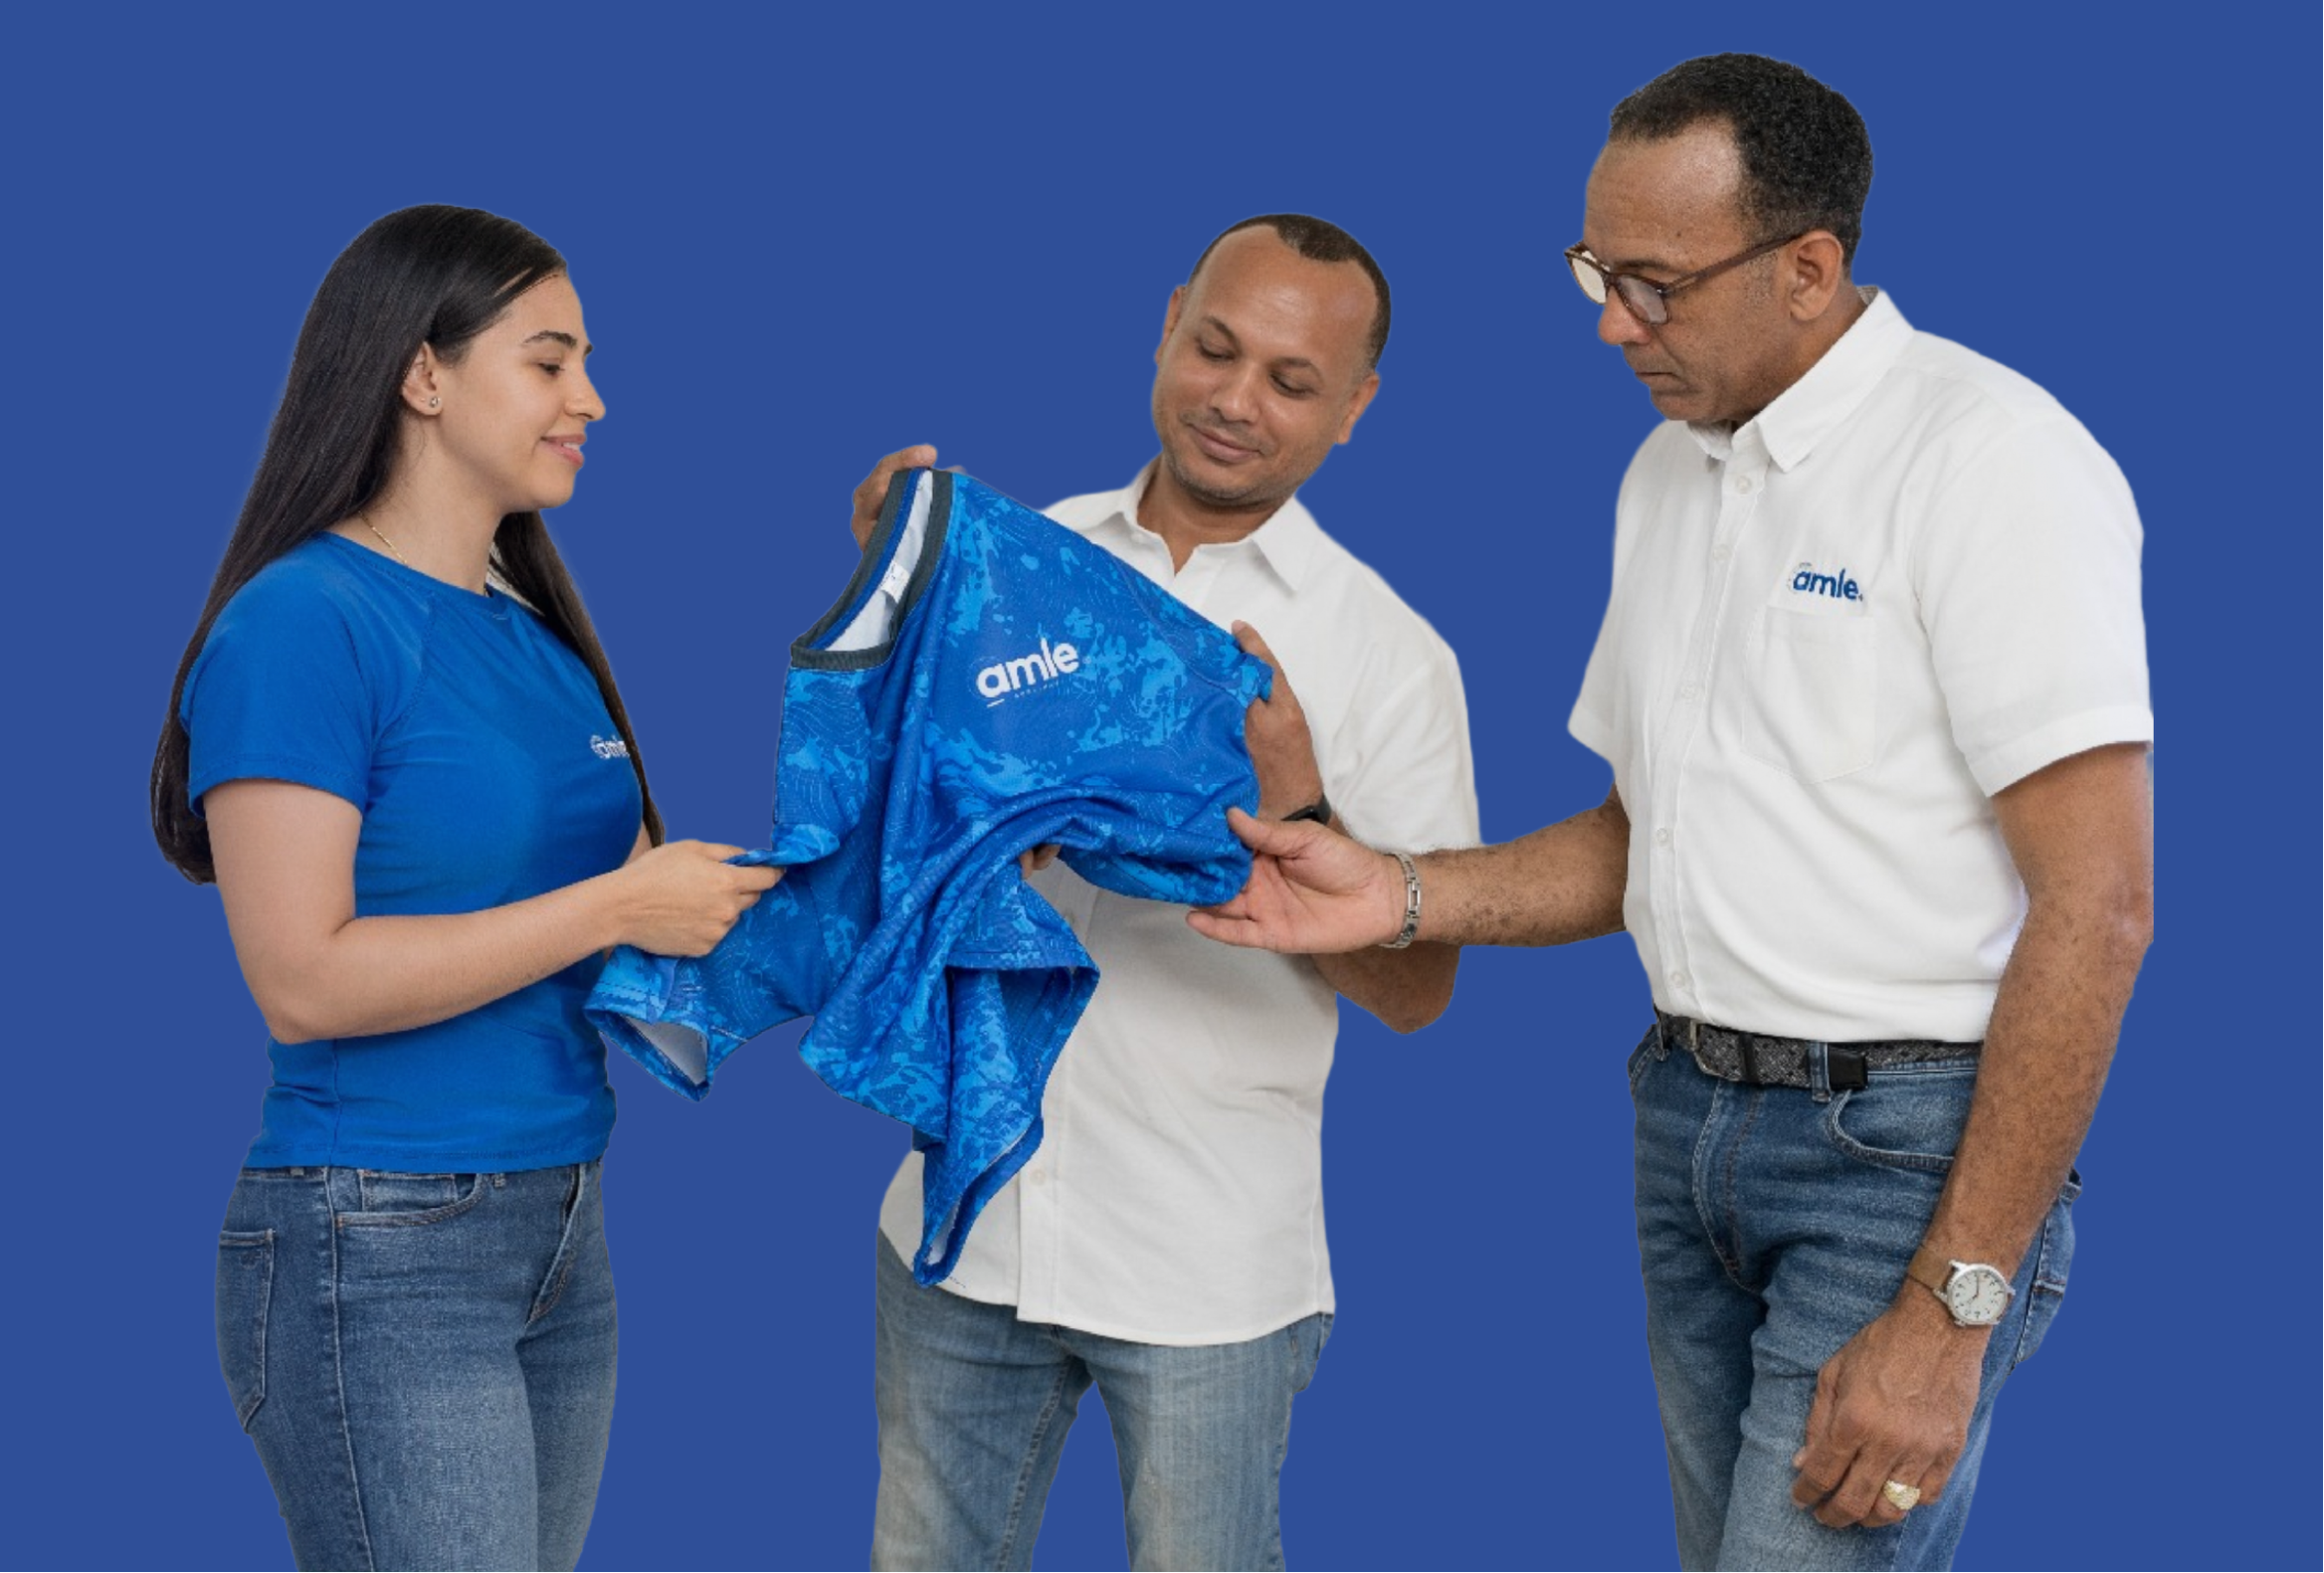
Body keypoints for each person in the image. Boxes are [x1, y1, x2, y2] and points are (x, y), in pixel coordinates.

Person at [1188, 56, 2153, 1573]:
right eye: (1593, 271)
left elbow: (2099, 905)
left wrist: (1952, 1307)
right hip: (1686, 1126)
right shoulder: (1668, 476)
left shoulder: (1991, 463)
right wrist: (1399, 895)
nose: (1609, 323)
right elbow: (1646, 835)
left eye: (1653, 285)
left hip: (1895, 1161)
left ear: (1809, 269)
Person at [846, 215, 1479, 1571]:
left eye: (1293, 381)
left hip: (1205, 1268)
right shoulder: (1013, 568)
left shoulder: (1390, 657)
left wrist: (1299, 810)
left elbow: (1421, 993)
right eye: (1215, 347)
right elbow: (880, 840)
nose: (1236, 400)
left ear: (1355, 409)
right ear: (1169, 321)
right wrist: (893, 610)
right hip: (964, 1228)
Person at [151, 205, 779, 1572]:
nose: (591, 399)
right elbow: (302, 980)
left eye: (586, 363)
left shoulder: (532, 635)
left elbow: (655, 925)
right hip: (377, 1242)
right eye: (549, 362)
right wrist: (616, 908)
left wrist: (926, 852)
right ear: (422, 375)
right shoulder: (303, 627)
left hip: (559, 1228)